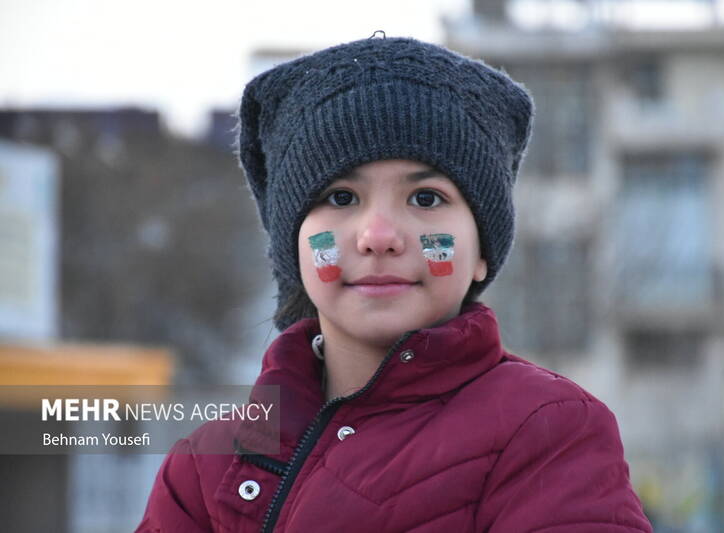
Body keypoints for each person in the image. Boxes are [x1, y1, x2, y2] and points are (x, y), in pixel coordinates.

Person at [136, 33, 653, 533]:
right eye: (340, 198)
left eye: (426, 199)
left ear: (481, 252)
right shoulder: (202, 470)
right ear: (293, 248)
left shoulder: (548, 430)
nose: (378, 237)